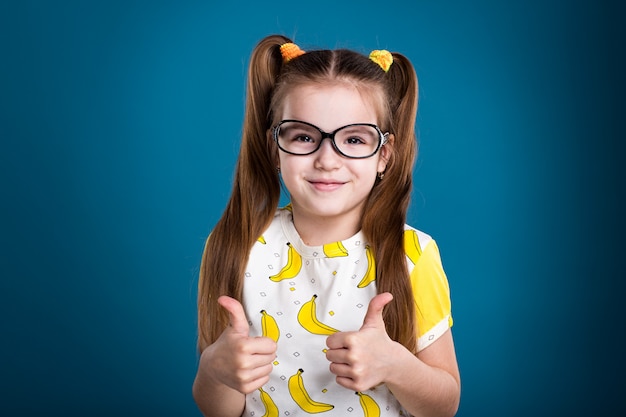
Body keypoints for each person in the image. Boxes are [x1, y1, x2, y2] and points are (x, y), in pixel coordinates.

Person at [192, 34, 460, 417]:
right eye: (304, 136)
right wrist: (215, 372)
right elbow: (219, 409)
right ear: (274, 147)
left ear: (383, 155)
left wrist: (397, 366)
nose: (327, 159)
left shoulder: (413, 256)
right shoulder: (236, 247)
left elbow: (445, 405)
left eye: (353, 139)